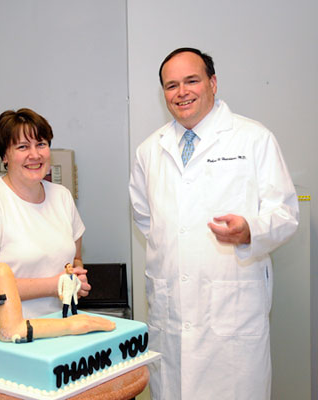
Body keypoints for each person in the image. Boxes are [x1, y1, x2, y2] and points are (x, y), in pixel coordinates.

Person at [129, 48, 299, 400]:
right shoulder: (149, 151)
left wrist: (250, 230)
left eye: (192, 80)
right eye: (171, 85)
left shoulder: (253, 138)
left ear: (213, 83)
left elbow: (284, 213)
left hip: (232, 318)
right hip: (171, 318)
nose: (182, 92)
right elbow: (148, 221)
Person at [0, 108, 91, 342]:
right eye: (22, 147)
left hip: (54, 331)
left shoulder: (61, 196)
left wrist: (75, 279)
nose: (35, 154)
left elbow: (74, 260)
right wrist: (54, 285)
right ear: (5, 156)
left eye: (41, 144)